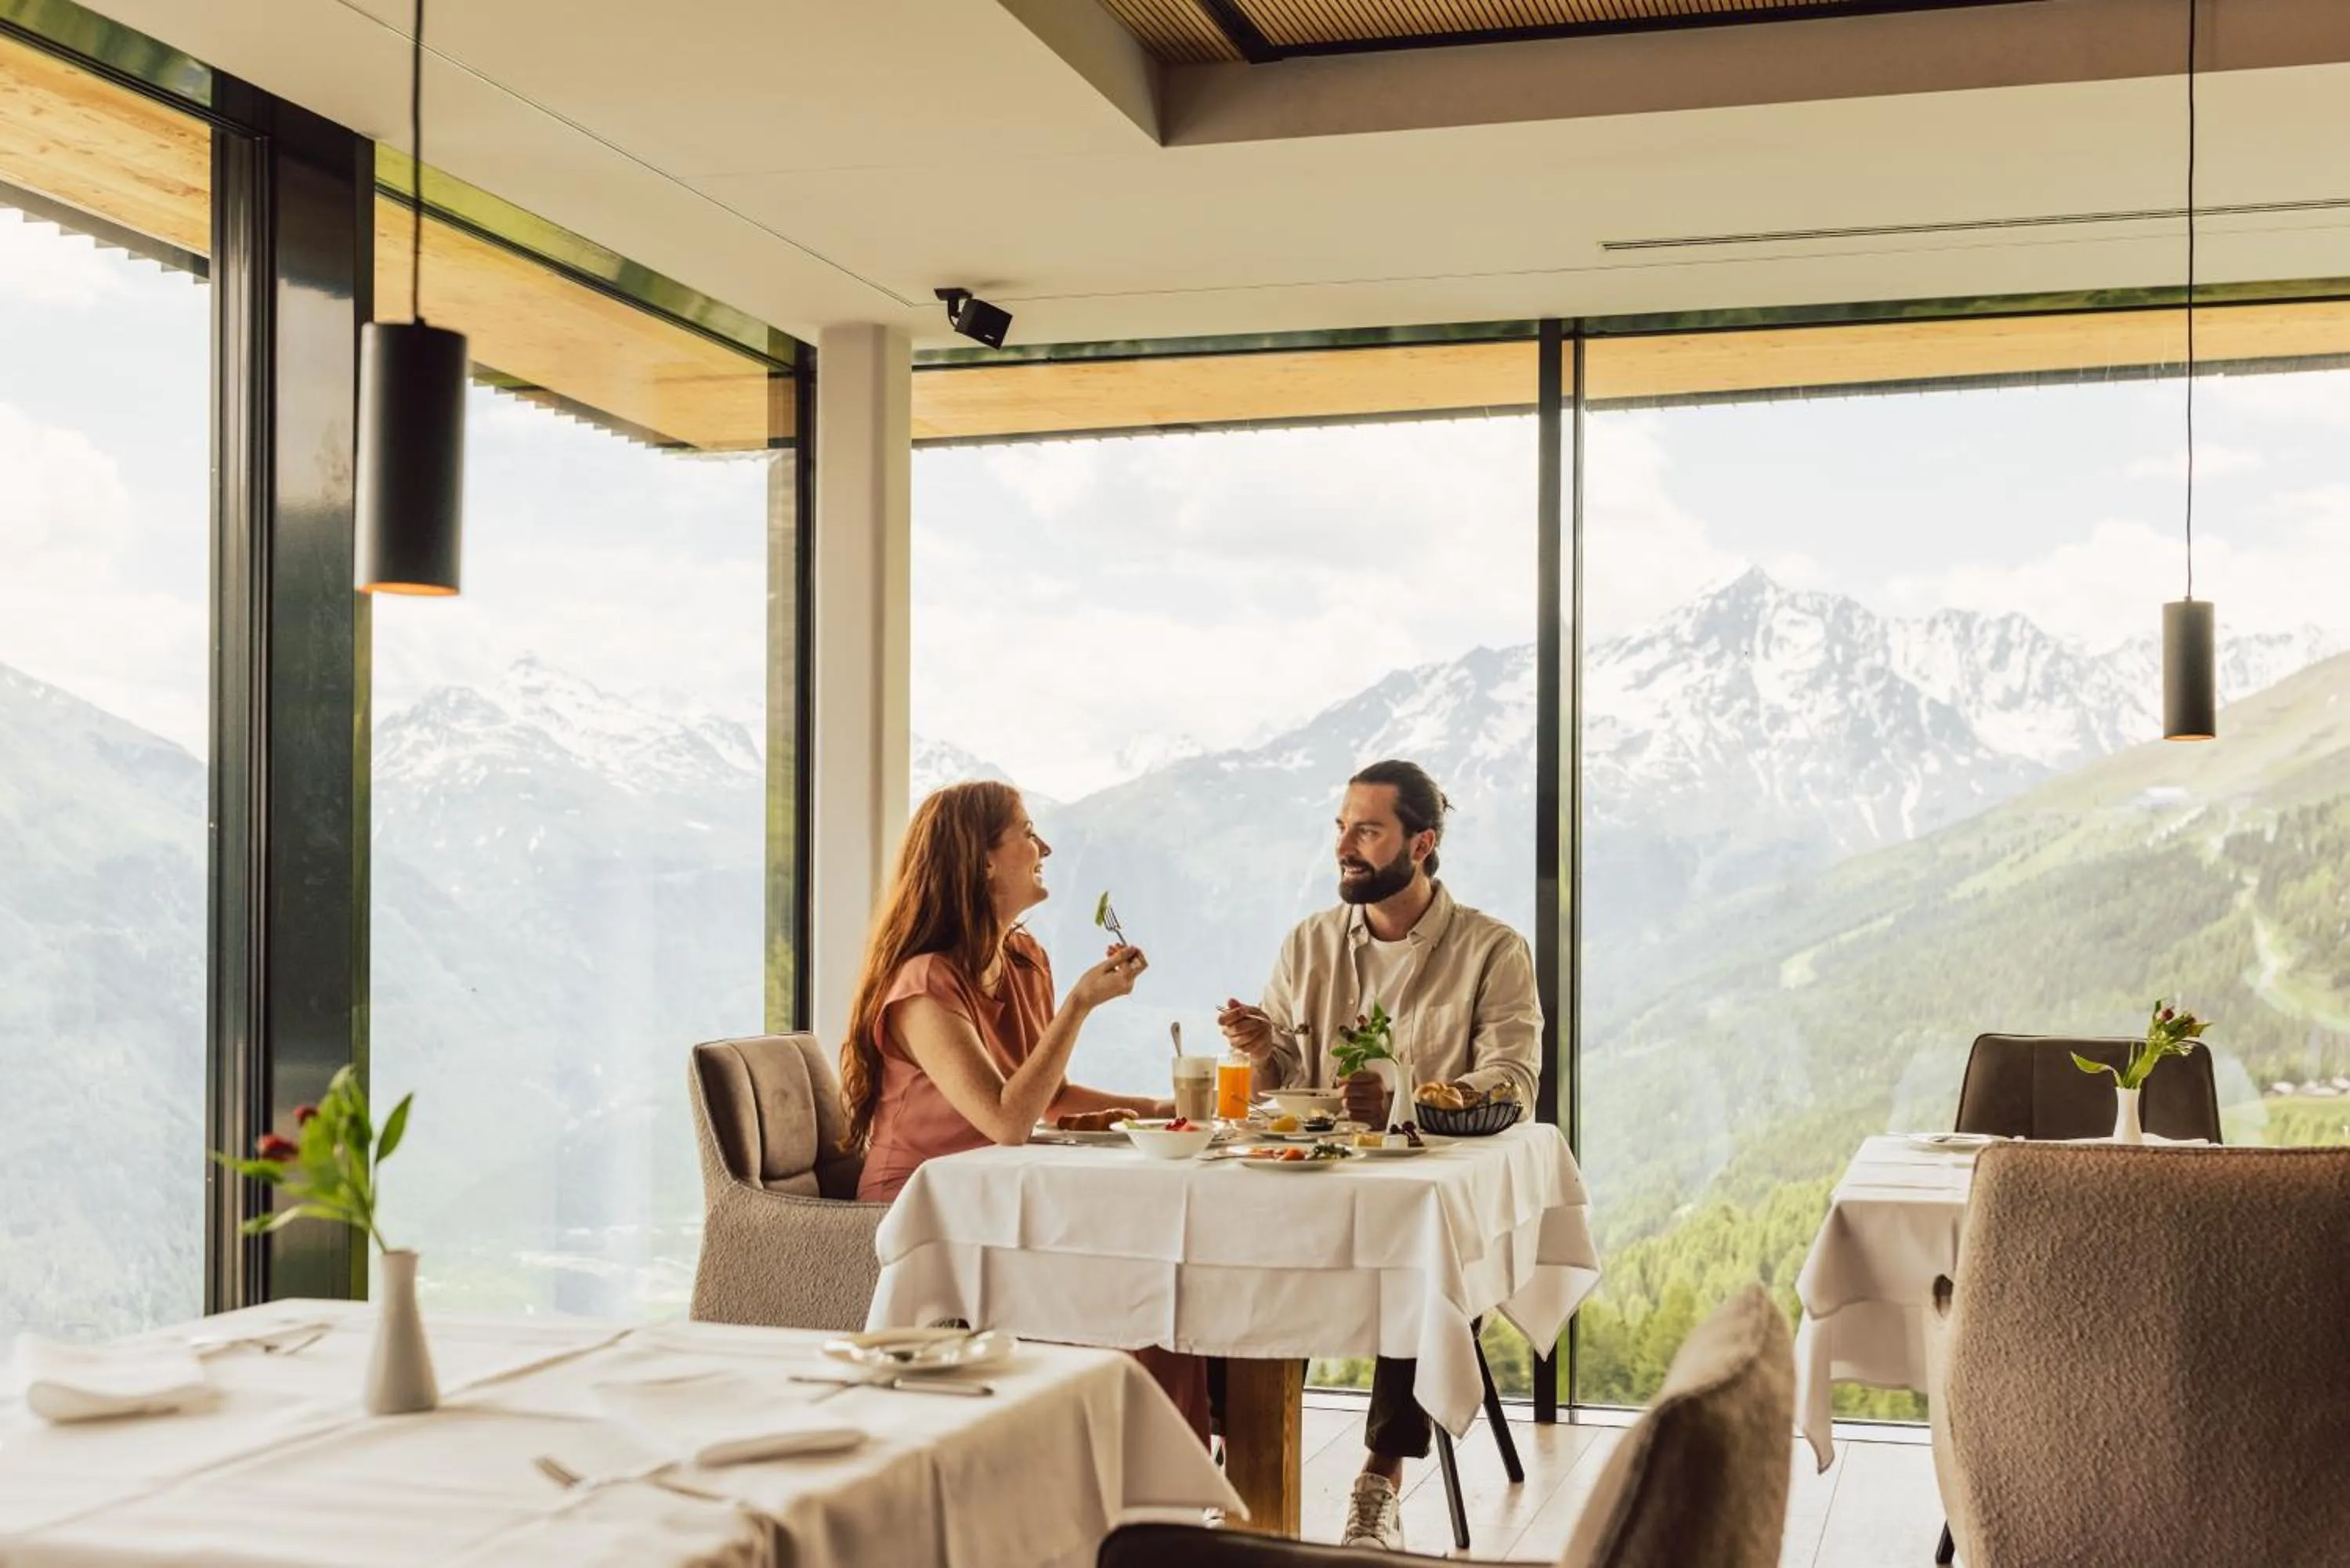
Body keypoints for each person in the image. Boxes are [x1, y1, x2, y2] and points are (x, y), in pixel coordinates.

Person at [1217, 759, 1540, 1551]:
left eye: (1367, 830)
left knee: (1422, 1252)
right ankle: (1240, 1469)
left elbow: (1514, 1079)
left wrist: (1405, 1098)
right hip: (1310, 1195)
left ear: (1421, 843)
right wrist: (1261, 1050)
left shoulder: (1493, 950)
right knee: (1238, 1241)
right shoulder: (1309, 944)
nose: (1344, 847)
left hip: (1415, 1203)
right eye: (1341, 828)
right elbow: (1280, 1080)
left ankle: (1378, 1483)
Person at [837, 781, 1207, 1437]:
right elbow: (1007, 1119)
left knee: (1158, 1286)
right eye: (1028, 833)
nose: (1045, 848)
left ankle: (1164, 1469)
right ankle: (1127, 1462)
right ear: (982, 860)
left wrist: (1158, 1107)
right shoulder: (924, 984)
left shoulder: (1023, 959)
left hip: (1003, 1194)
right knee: (1135, 1299)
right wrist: (1080, 1006)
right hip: (929, 1205)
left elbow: (1047, 1096)